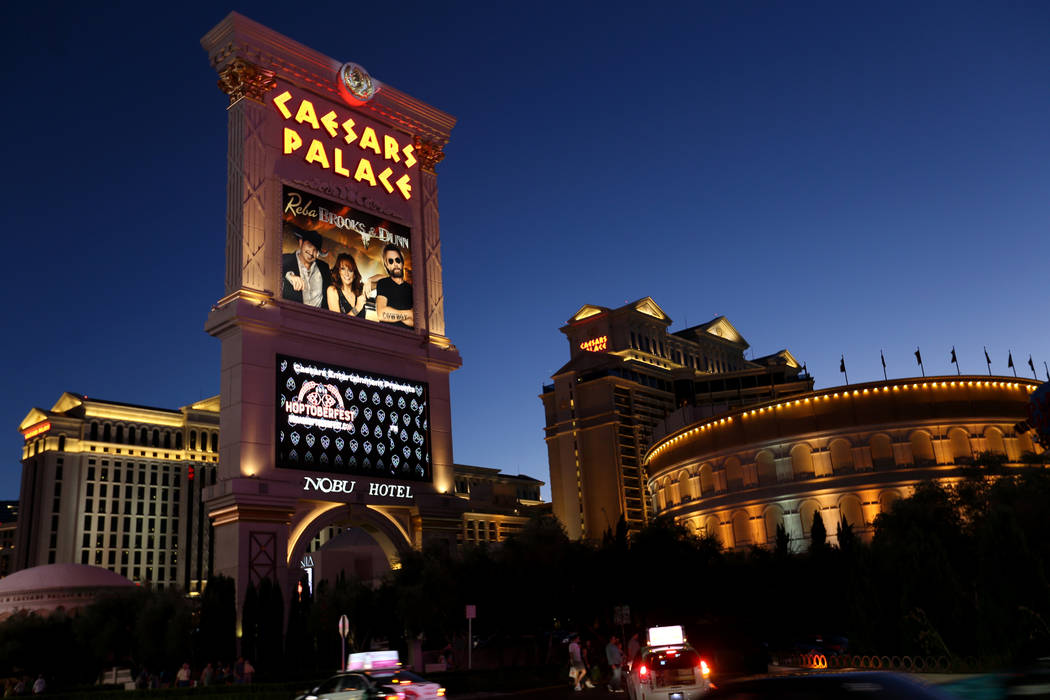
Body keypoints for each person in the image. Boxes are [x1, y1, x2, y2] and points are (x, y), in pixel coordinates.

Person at [282, 228, 330, 307]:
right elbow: (274, 273)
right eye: (309, 246)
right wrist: (289, 275)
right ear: (301, 243)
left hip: (319, 318)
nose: (311, 252)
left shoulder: (324, 268)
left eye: (315, 250)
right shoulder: (284, 259)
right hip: (291, 316)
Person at [375, 244, 413, 328]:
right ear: (387, 266)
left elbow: (414, 322)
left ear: (402, 263)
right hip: (386, 336)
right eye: (391, 261)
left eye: (397, 260)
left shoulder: (411, 290)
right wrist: (409, 313)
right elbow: (381, 314)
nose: (395, 264)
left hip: (408, 338)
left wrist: (391, 312)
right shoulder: (383, 283)